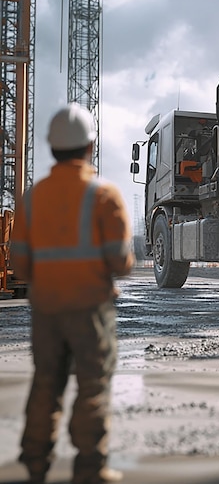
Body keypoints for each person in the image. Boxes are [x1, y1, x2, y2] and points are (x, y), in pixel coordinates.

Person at [10, 103, 135, 484]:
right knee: (92, 386)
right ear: (90, 147)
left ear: (52, 147)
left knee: (45, 381)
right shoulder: (105, 195)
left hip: (46, 309)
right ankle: (90, 469)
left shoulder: (32, 198)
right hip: (89, 309)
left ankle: (35, 463)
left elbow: (19, 267)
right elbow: (122, 263)